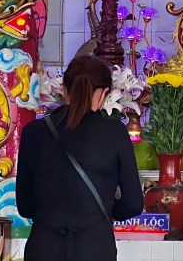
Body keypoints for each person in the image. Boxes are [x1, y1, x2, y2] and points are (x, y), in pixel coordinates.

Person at [17, 56, 143, 261]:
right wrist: (101, 214)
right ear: (103, 94)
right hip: (94, 248)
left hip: (44, 249)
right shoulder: (114, 133)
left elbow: (25, 205)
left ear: (64, 89)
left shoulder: (34, 132)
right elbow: (133, 204)